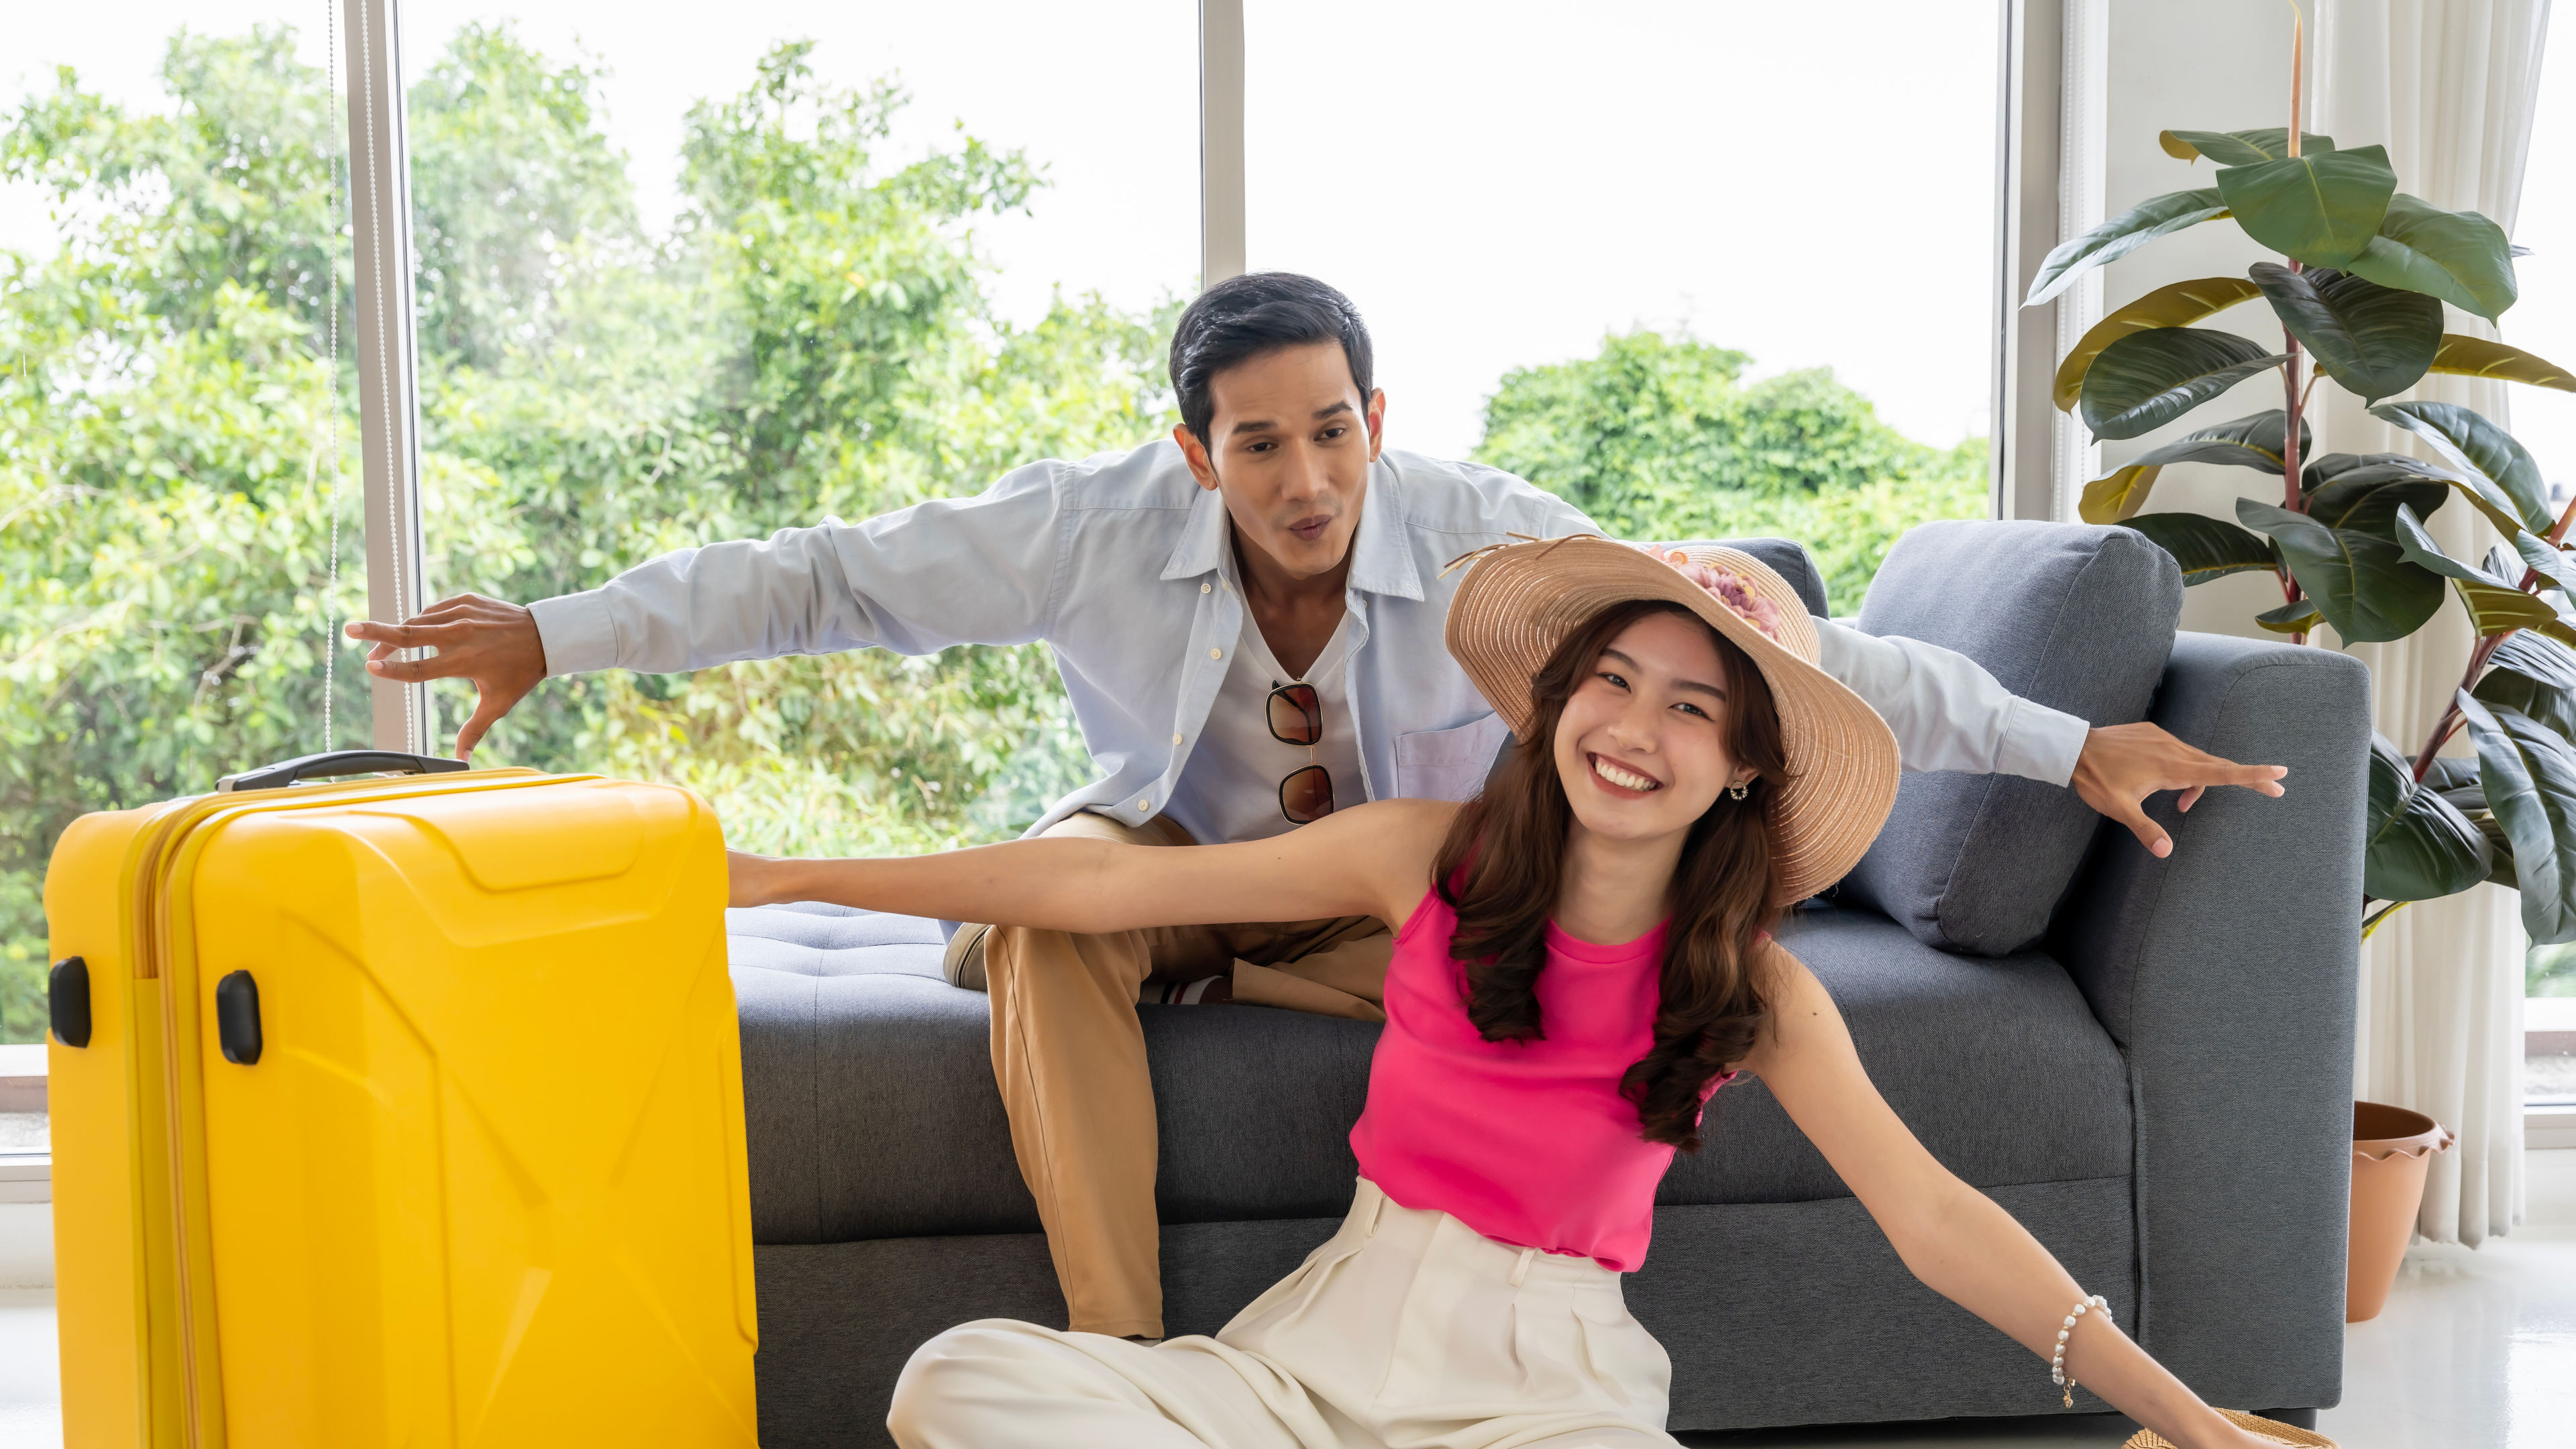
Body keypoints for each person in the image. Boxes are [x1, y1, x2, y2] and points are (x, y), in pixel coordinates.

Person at [347, 272, 2285, 1342]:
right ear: (1195, 451)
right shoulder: (1091, 524)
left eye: (1335, 429)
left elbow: (1815, 661)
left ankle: (1235, 989)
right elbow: (829, 573)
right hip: (1179, 863)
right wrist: (557, 630)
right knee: (1046, 915)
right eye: (1258, 443)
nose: (1305, 477)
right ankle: (1124, 1354)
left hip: (1408, 897)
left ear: (1380, 412)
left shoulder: (1482, 535)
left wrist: (2066, 743)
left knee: (1536, 977)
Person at [727, 539, 2302, 1449]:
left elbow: (1939, 1219)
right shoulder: (1426, 862)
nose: (1635, 726)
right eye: (1611, 681)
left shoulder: (1753, 992)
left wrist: (2185, 1415)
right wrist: (796, 879)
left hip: (1547, 1405)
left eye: (1694, 708)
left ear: (1744, 767)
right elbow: (1103, 889)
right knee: (957, 1382)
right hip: (1299, 1375)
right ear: (1556, 702)